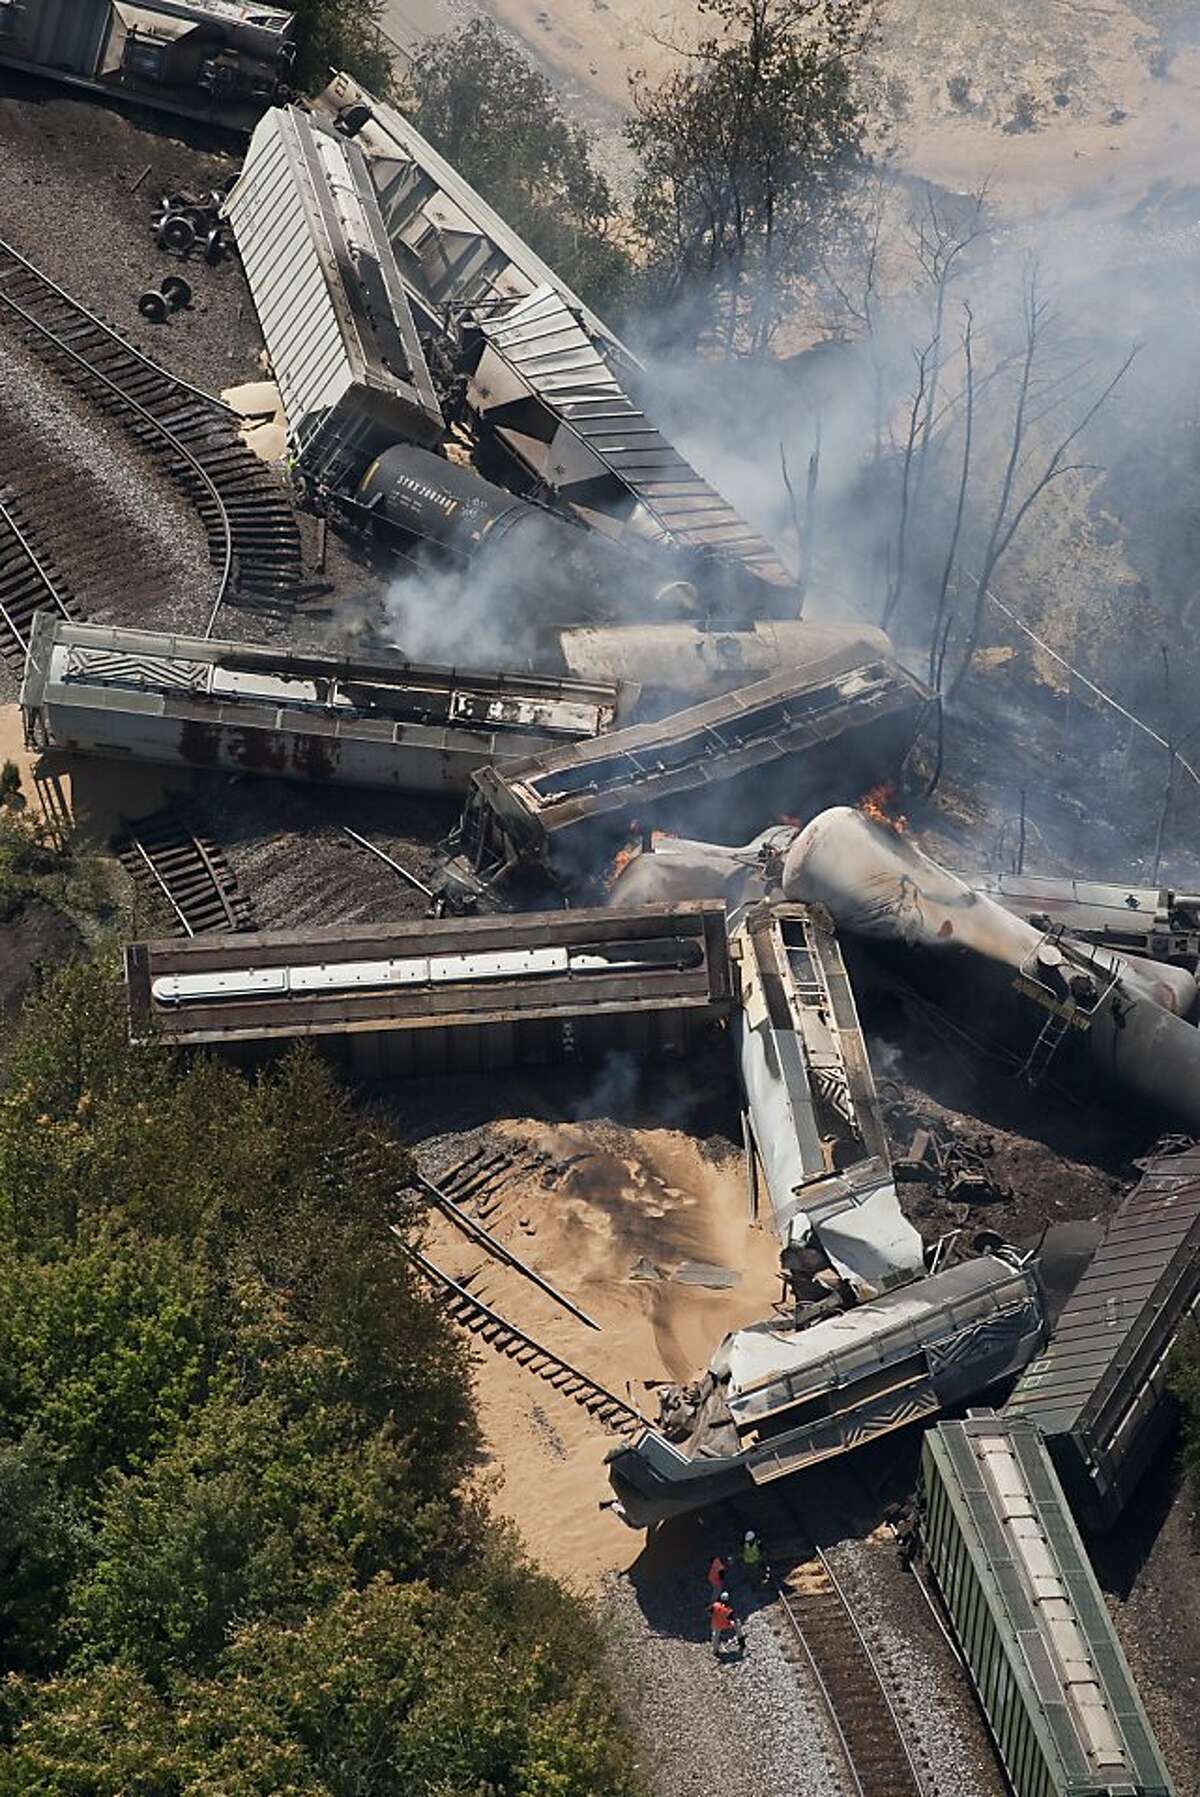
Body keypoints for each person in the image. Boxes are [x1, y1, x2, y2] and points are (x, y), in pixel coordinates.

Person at [708, 1591, 745, 1659]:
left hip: (715, 1624)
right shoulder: (728, 1610)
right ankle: (741, 1640)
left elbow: (709, 1611)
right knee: (738, 1624)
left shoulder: (715, 1605)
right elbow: (733, 1618)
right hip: (725, 1624)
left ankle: (715, 1651)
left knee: (715, 1636)